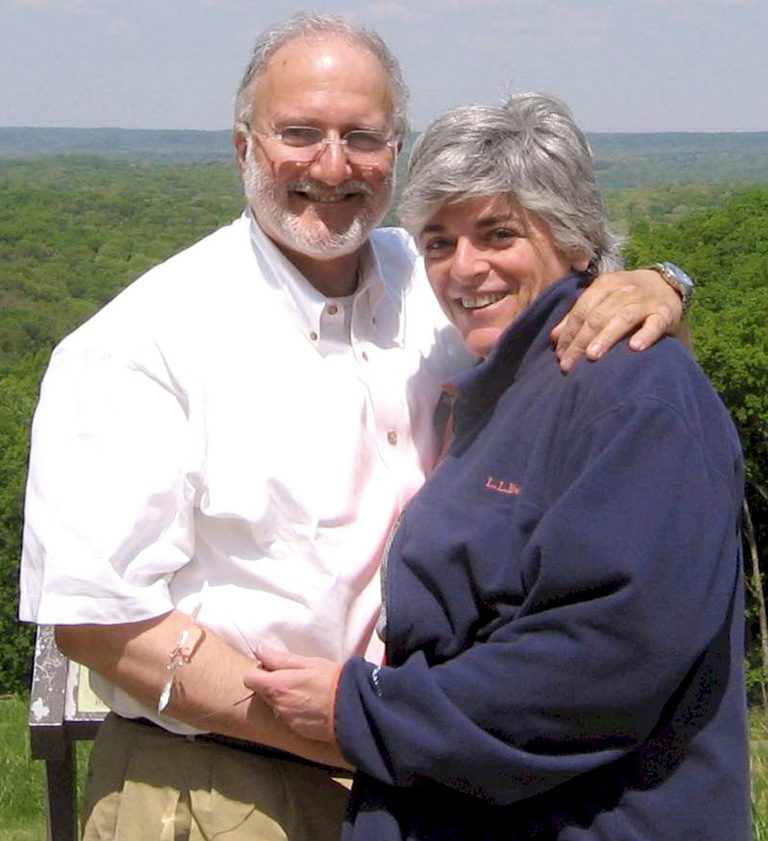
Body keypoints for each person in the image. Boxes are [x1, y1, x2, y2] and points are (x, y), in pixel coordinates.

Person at [19, 13, 690, 841]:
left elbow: (566, 311)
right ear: (243, 146)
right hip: (219, 787)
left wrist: (663, 284)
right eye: (299, 133)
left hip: (428, 777)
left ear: (396, 149)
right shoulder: (141, 343)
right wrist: (343, 728)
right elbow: (100, 622)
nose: (333, 166)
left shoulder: (439, 280)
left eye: (363, 137)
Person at [244, 93, 750, 841]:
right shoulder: (506, 379)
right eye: (438, 242)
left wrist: (361, 711)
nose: (464, 268)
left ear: (574, 237)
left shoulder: (633, 394)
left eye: (498, 233)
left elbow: (599, 662)